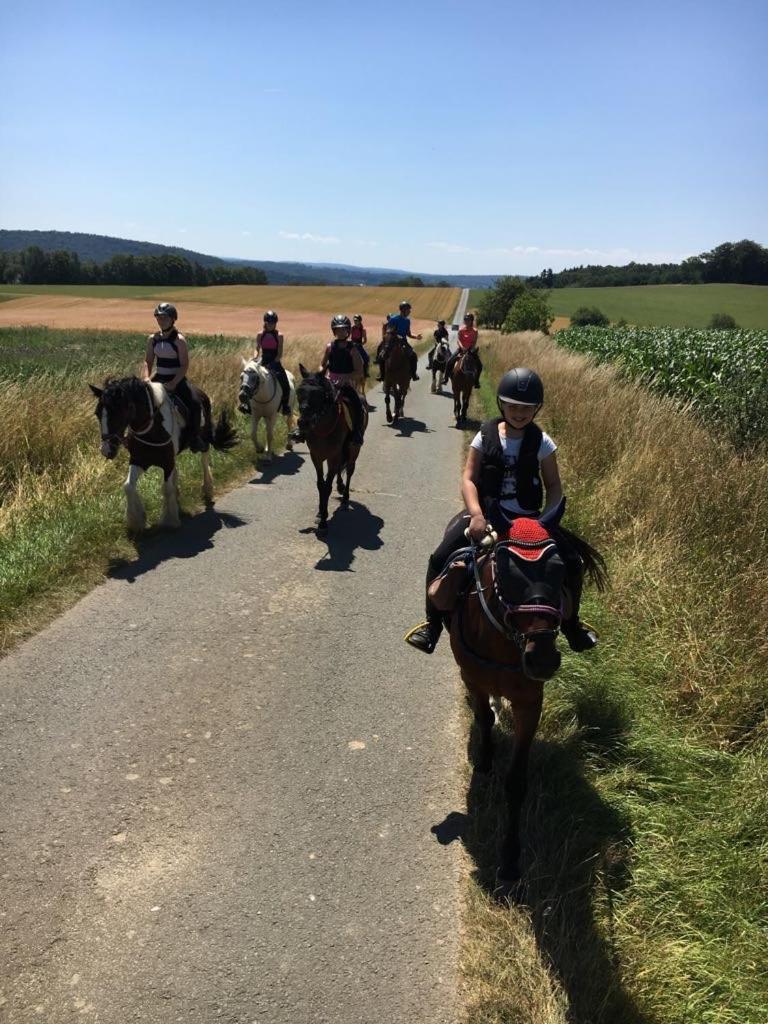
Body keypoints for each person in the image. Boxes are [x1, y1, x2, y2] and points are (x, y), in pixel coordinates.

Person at [404, 367, 598, 654]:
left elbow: (554, 485)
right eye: (513, 406)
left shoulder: (543, 443)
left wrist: (546, 520)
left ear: (536, 409)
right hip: (488, 516)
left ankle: (572, 627)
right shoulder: (484, 437)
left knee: (571, 561)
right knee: (442, 554)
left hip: (531, 521)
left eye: (527, 408)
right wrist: (477, 513)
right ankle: (432, 625)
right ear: (501, 404)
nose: (520, 413)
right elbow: (469, 478)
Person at [291, 315, 367, 446]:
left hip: (347, 384)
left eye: (343, 329)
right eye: (338, 330)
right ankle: (302, 430)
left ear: (348, 331)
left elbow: (359, 371)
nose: (340, 332)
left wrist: (346, 377)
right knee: (312, 401)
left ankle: (357, 432)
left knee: (357, 403)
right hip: (330, 382)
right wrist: (323, 373)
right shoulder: (330, 347)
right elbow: (322, 364)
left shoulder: (353, 349)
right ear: (334, 331)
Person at [142, 302, 208, 451]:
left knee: (195, 403)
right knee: (138, 400)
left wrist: (173, 383)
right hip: (158, 378)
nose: (161, 320)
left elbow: (184, 365)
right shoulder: (152, 339)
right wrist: (146, 378)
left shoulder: (179, 340)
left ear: (173, 319)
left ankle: (195, 437)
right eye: (158, 317)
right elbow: (148, 361)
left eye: (164, 318)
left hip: (177, 380)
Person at [255, 310, 292, 415]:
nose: (271, 325)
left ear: (276, 323)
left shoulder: (279, 335)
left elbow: (279, 353)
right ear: (265, 322)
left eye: (273, 323)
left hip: (274, 361)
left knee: (285, 382)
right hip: (263, 360)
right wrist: (255, 357)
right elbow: (257, 348)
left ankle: (285, 406)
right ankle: (247, 405)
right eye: (269, 323)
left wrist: (273, 363)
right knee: (251, 378)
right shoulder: (260, 334)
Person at [379, 300, 421, 381]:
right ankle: (382, 375)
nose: (409, 312)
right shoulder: (393, 319)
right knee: (381, 356)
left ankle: (413, 374)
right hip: (392, 342)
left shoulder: (407, 321)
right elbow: (388, 332)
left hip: (403, 342)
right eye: (408, 310)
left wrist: (416, 337)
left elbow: (408, 334)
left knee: (414, 356)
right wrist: (397, 336)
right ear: (403, 310)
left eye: (409, 310)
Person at [445, 312, 482, 388]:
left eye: (468, 320)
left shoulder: (475, 331)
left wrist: (469, 349)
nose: (466, 321)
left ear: (471, 321)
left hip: (471, 351)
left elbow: (474, 341)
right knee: (449, 362)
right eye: (465, 319)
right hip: (461, 349)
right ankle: (445, 379)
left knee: (480, 365)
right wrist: (462, 348)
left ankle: (476, 381)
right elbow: (458, 340)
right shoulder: (461, 330)